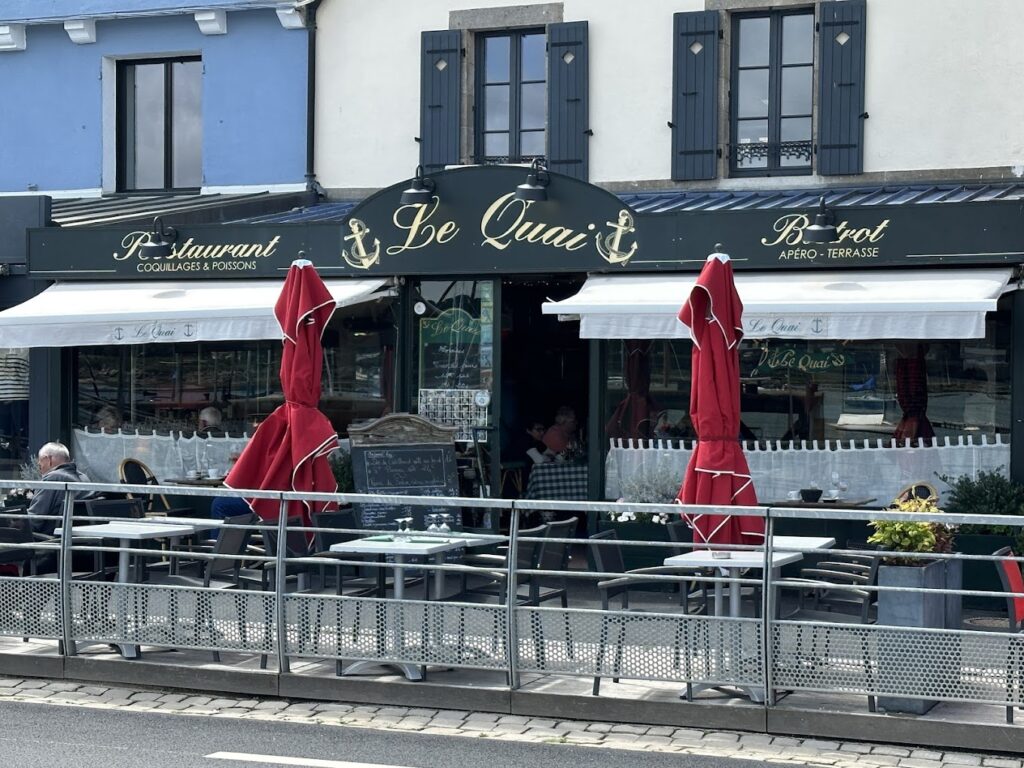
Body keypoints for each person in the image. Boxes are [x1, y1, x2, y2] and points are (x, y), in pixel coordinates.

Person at [26, 442, 101, 536]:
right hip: (77, 539)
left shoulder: (52, 478)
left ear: (48, 459)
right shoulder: (84, 478)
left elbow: (34, 520)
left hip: (50, 540)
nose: (38, 464)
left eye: (40, 460)